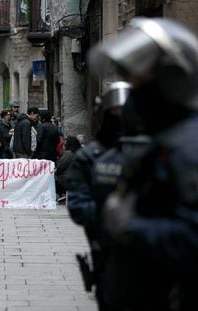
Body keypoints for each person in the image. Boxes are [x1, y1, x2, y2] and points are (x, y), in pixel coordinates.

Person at [88, 17, 198, 311]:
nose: (134, 95)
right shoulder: (174, 138)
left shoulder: (196, 147)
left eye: (141, 84)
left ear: (172, 81)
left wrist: (130, 226)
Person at [64, 81, 131, 311]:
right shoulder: (89, 157)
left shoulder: (153, 150)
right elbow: (79, 205)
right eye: (115, 113)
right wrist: (111, 217)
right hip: (107, 248)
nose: (121, 118)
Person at [55, 136, 81, 202]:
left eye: (66, 142)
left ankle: (63, 194)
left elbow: (60, 166)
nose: (64, 144)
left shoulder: (68, 153)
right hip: (78, 177)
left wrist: (55, 171)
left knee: (54, 177)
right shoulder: (80, 152)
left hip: (68, 178)